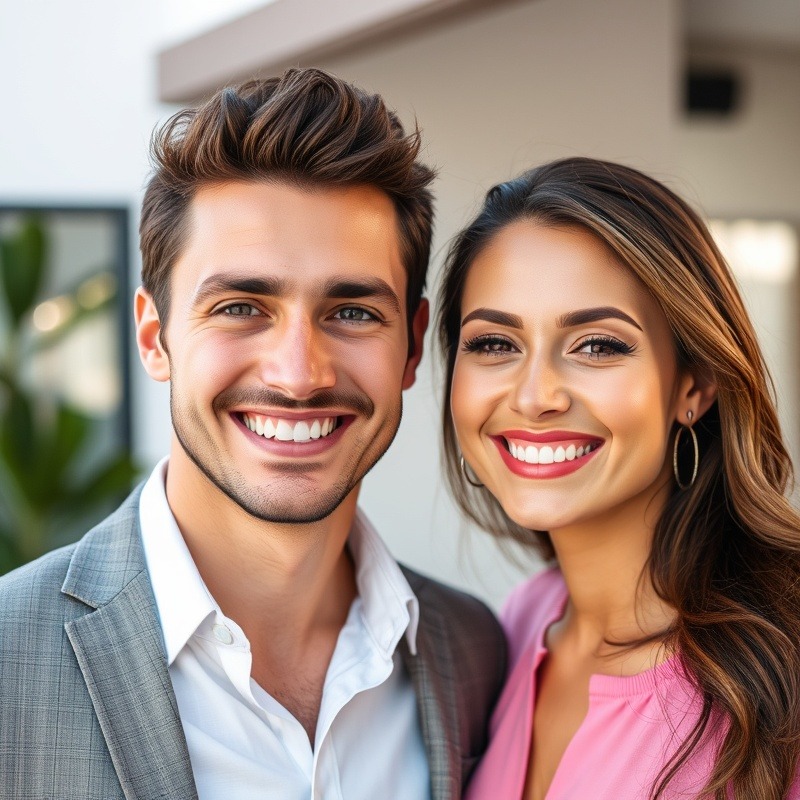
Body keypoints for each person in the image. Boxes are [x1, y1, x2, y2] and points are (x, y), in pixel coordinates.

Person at [0, 68, 506, 800]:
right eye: (241, 306)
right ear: (154, 335)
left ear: (413, 344)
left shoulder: (474, 652)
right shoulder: (10, 658)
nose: (299, 374)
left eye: (353, 312)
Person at [437, 157, 800, 800]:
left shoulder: (780, 677)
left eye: (599, 345)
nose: (534, 397)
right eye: (494, 343)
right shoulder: (519, 625)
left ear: (694, 384)